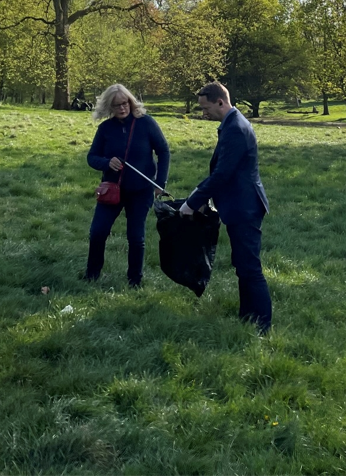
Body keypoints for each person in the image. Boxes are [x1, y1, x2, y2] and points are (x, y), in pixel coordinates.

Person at [179, 81, 272, 333]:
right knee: (242, 265)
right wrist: (197, 194)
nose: (203, 112)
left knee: (250, 268)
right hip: (239, 205)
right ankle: (247, 318)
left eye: (205, 107)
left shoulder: (235, 129)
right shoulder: (232, 123)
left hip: (245, 207)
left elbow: (222, 175)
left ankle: (263, 327)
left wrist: (192, 203)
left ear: (221, 102)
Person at [85, 84, 170, 287]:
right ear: (109, 107)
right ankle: (91, 275)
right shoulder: (105, 129)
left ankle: (134, 281)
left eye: (125, 103)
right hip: (112, 191)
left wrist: (160, 182)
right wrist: (107, 163)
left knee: (136, 236)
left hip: (141, 191)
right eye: (116, 105)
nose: (122, 108)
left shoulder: (146, 123)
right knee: (97, 232)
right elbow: (91, 157)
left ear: (131, 102)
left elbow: (164, 152)